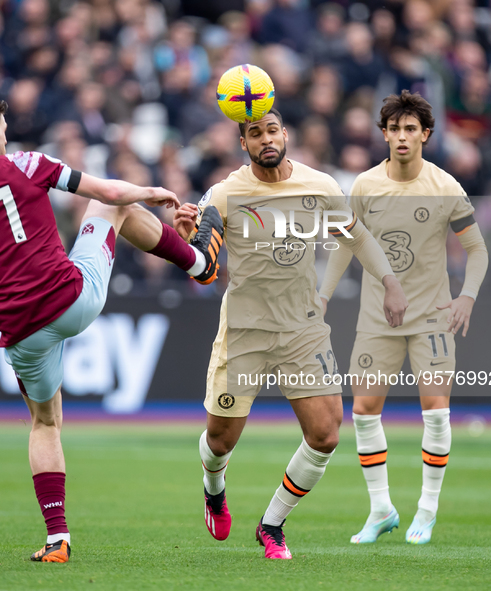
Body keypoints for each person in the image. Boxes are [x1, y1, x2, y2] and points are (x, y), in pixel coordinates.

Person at [0, 91, 224, 563]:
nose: (6, 136)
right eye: (3, 130)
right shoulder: (26, 164)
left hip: (21, 334)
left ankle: (57, 538)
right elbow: (109, 193)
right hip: (71, 300)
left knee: (44, 423)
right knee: (112, 206)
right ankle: (199, 264)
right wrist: (148, 190)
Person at [173, 107, 408, 559]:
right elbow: (204, 273)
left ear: (286, 134)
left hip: (302, 328)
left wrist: (391, 282)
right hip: (245, 331)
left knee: (325, 434)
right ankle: (213, 488)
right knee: (220, 440)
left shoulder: (319, 186)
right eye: (255, 133)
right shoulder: (223, 195)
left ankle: (272, 524)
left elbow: (356, 236)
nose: (266, 138)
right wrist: (187, 240)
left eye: (272, 130)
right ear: (243, 143)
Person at [320, 90, 489, 545]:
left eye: (410, 129)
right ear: (384, 135)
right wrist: (322, 296)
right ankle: (380, 510)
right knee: (364, 411)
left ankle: (427, 511)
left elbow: (476, 249)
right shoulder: (365, 186)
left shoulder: (445, 187)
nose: (401, 137)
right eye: (394, 129)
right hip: (377, 319)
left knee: (435, 413)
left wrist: (467, 297)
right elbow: (344, 244)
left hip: (433, 317)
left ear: (425, 135)